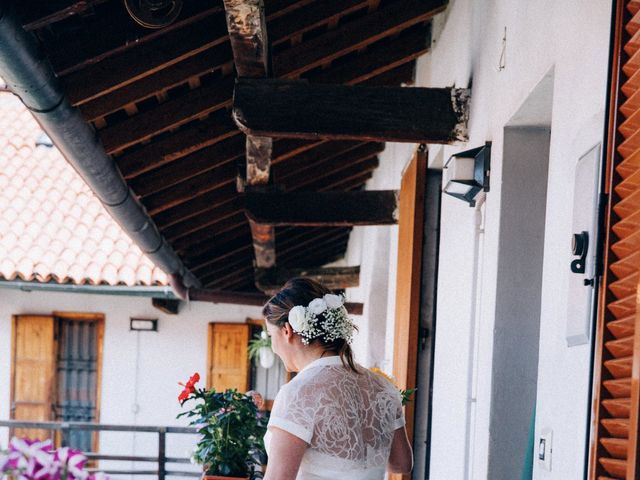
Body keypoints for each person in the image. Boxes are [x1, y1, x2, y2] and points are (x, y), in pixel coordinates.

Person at [262, 278, 413, 480]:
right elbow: (402, 464)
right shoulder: (383, 386)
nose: (273, 347)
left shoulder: (298, 393)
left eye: (271, 336)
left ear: (287, 331)